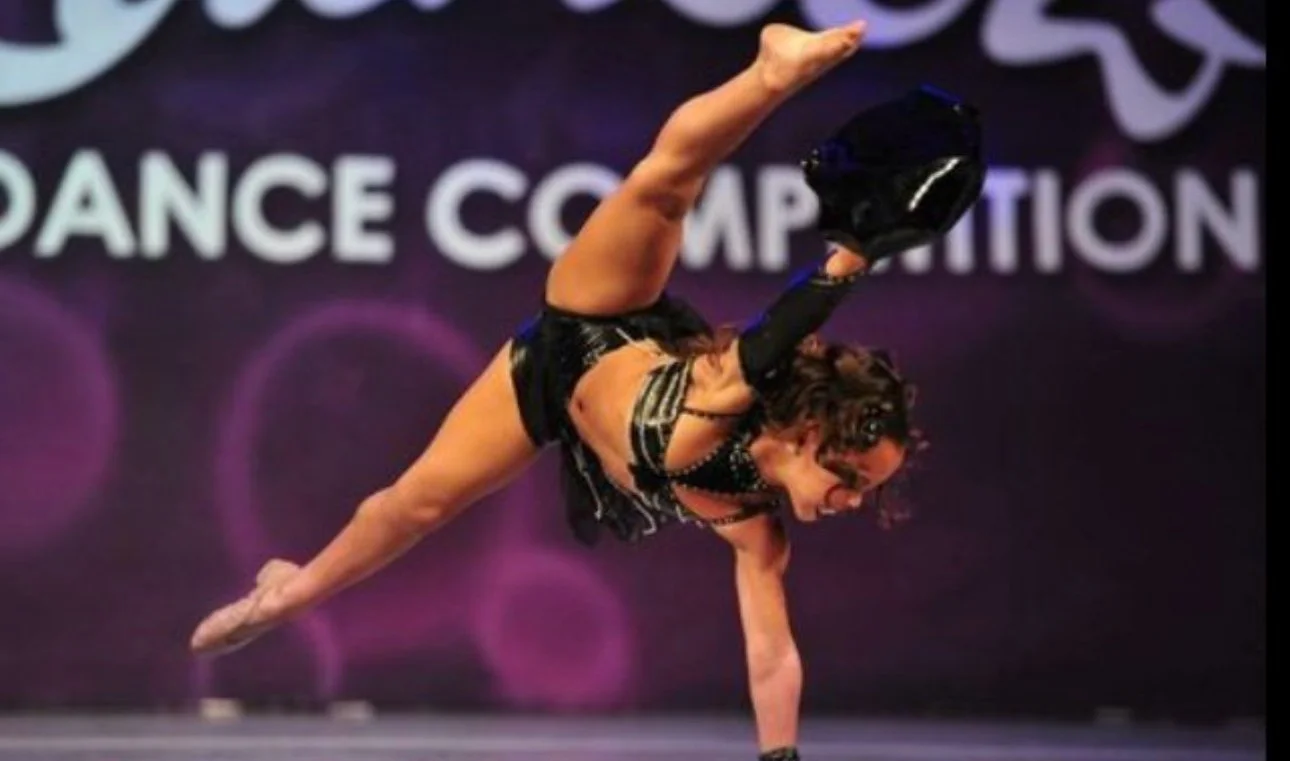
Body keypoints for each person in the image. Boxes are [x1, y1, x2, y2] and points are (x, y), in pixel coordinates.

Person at [191, 20, 976, 761]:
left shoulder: (756, 530)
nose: (850, 499)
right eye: (849, 475)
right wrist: (851, 258)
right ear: (807, 432)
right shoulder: (722, 405)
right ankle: (770, 71)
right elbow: (775, 329)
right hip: (603, 319)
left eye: (865, 490)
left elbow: (772, 655)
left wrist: (781, 758)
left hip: (549, 389)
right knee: (664, 188)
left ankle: (287, 589)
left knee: (418, 503)